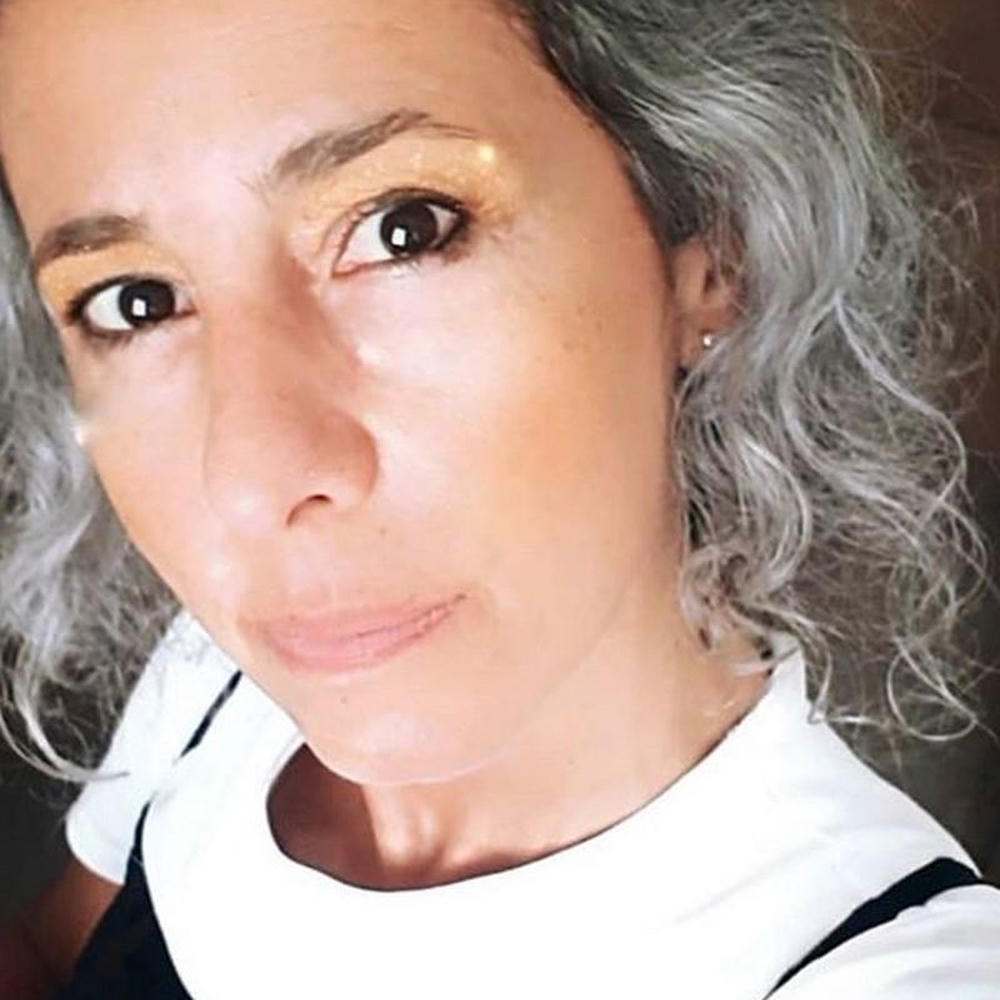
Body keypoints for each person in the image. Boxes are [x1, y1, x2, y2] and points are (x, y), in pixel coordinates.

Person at [0, 0, 998, 996]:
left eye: (405, 229)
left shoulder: (884, 967)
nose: (254, 481)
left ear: (711, 248)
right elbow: (58, 951)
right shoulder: (218, 680)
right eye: (135, 302)